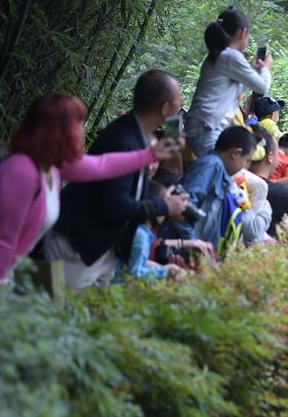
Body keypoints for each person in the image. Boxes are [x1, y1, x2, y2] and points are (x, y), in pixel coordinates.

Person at [0, 94, 177, 282]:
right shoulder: (22, 170)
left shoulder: (52, 166)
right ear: (59, 130)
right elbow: (4, 241)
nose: (82, 131)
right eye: (79, 124)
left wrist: (150, 155)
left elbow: (101, 166)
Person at [47, 70, 188, 290]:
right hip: (77, 247)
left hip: (100, 248)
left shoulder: (138, 135)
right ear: (166, 108)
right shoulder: (124, 139)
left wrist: (164, 199)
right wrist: (163, 206)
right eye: (178, 105)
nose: (180, 110)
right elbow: (116, 204)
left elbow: (170, 167)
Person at [185, 8, 273, 157]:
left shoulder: (217, 55)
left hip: (200, 124)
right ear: (243, 32)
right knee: (214, 170)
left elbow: (235, 86)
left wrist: (252, 69)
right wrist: (265, 68)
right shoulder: (230, 56)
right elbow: (262, 86)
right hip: (207, 127)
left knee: (217, 172)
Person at [169, 126, 262, 251]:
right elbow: (184, 207)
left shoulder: (218, 169)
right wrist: (192, 246)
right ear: (236, 153)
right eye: (246, 160)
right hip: (188, 251)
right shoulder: (210, 166)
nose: (246, 166)